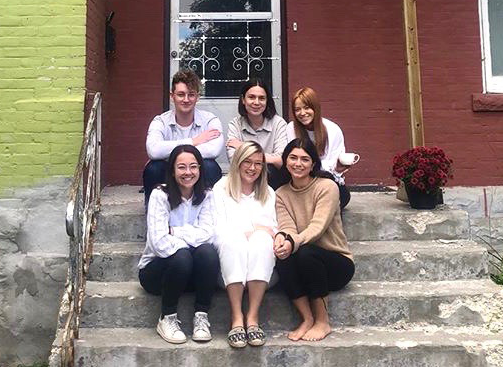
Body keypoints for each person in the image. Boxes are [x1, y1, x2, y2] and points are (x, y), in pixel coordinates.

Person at [273, 138, 354, 342]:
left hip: (336, 263)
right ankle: (307, 318)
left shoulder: (327, 187)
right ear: (285, 160)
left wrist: (294, 242)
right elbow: (287, 227)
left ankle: (322, 321)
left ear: (313, 164)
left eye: (304, 159)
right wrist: (283, 240)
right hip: (304, 259)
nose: (298, 163)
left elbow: (318, 227)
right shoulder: (281, 194)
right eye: (292, 158)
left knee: (305, 252)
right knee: (283, 254)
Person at [138, 145, 220, 344]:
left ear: (200, 169)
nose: (188, 172)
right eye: (181, 167)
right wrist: (189, 242)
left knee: (208, 253)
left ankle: (201, 315)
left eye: (193, 167)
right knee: (182, 256)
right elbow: (158, 243)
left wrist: (174, 231)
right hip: (157, 273)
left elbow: (208, 234)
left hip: (190, 276)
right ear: (172, 171)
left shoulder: (207, 195)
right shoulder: (159, 195)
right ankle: (167, 317)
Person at [213, 141, 277, 348]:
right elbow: (217, 228)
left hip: (261, 267)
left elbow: (272, 230)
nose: (252, 168)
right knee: (234, 240)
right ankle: (236, 316)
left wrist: (256, 231)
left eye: (258, 164)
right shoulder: (221, 188)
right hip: (229, 265)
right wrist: (251, 229)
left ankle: (253, 317)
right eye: (247, 162)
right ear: (237, 162)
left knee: (262, 240)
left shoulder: (268, 192)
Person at [143, 69, 224, 209]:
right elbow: (153, 150)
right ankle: (154, 212)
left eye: (191, 95)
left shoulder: (210, 120)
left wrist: (172, 155)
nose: (186, 100)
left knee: (211, 167)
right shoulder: (160, 121)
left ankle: (207, 211)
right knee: (154, 168)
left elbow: (214, 150)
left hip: (196, 174)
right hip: (169, 174)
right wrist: (193, 141)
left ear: (197, 97)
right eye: (181, 94)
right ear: (171, 96)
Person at [286, 87, 351, 209]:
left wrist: (324, 167)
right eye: (297, 109)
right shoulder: (291, 128)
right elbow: (291, 161)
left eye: (307, 108)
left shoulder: (332, 130)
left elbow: (334, 167)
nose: (302, 113)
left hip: (327, 181)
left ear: (315, 107)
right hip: (300, 181)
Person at [226, 78, 288, 190]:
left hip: (272, 180)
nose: (256, 102)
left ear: (267, 101)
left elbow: (281, 160)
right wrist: (270, 158)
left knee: (269, 169)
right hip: (243, 179)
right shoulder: (235, 125)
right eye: (251, 97)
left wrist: (242, 147)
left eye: (262, 98)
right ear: (243, 100)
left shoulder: (278, 123)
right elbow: (234, 160)